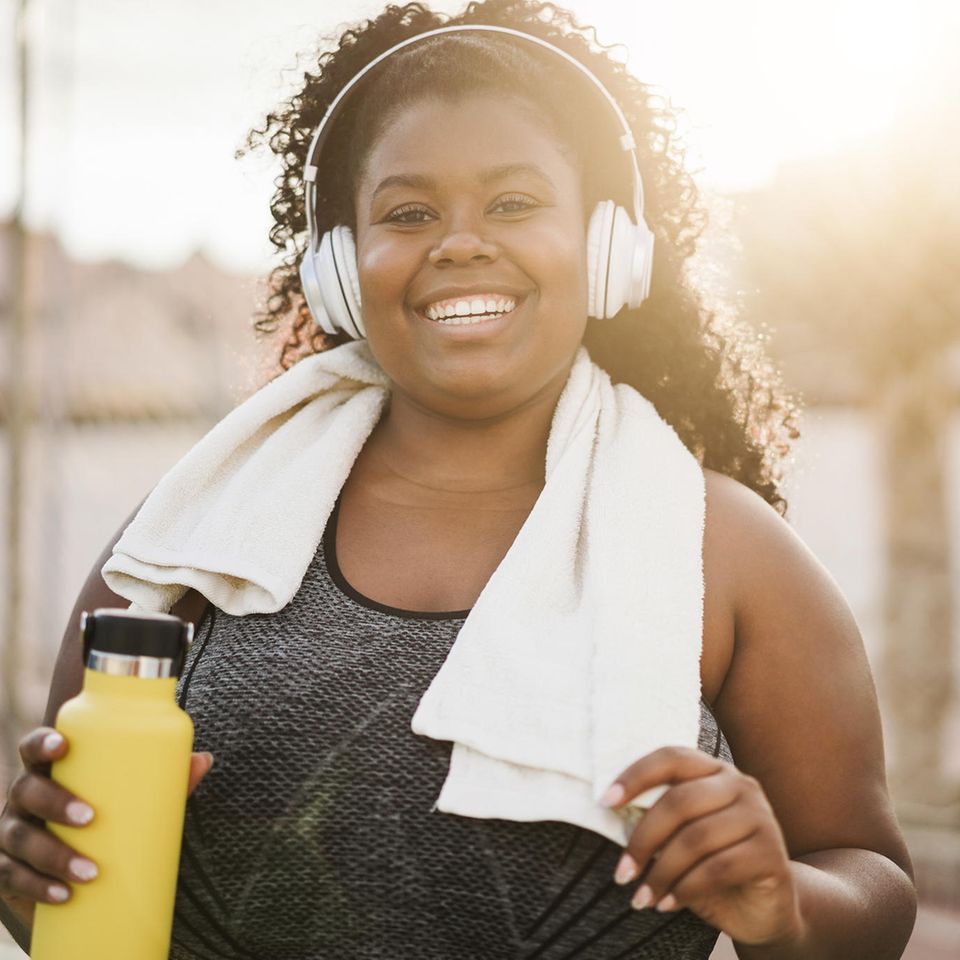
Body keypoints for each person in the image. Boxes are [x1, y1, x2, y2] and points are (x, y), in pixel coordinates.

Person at [0, 1, 917, 957]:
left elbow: (871, 880)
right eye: (408, 212)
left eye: (514, 202)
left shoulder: (722, 553)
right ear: (341, 270)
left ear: (611, 249)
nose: (460, 243)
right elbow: (61, 896)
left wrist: (786, 903)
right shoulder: (190, 535)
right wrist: (35, 875)